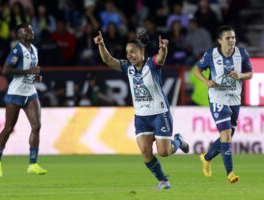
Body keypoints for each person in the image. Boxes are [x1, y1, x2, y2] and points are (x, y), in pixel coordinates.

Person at [94, 29, 189, 190]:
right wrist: (101, 44)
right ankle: (163, 181)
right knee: (145, 153)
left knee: (164, 152)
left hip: (160, 113)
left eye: (132, 52)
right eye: (127, 52)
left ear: (142, 52)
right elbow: (108, 60)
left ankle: (178, 140)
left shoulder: (152, 64)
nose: (129, 55)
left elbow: (161, 57)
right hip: (141, 117)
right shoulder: (127, 67)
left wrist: (163, 48)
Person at [195, 26, 253, 183]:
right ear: (220, 41)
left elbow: (250, 74)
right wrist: (206, 81)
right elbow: (197, 70)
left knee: (226, 136)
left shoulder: (242, 53)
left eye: (233, 37)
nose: (231, 40)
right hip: (218, 98)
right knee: (226, 135)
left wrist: (240, 75)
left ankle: (206, 158)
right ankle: (230, 173)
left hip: (234, 99)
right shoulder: (211, 54)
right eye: (228, 38)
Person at [0, 23, 47, 176]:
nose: (31, 31)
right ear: (20, 34)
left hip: (30, 92)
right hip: (16, 92)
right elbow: (6, 70)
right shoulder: (17, 49)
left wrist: (36, 75)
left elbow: (31, 71)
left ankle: (33, 164)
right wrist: (27, 71)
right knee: (9, 128)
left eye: (31, 29)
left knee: (36, 126)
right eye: (27, 30)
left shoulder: (34, 49)